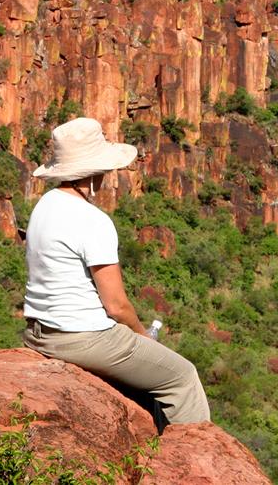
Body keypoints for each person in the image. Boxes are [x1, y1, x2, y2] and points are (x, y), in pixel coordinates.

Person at [22, 117, 210, 425]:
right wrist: (141, 335)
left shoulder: (43, 206)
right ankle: (195, 460)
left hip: (39, 333)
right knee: (182, 377)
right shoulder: (91, 219)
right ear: (94, 172)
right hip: (82, 339)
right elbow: (116, 305)